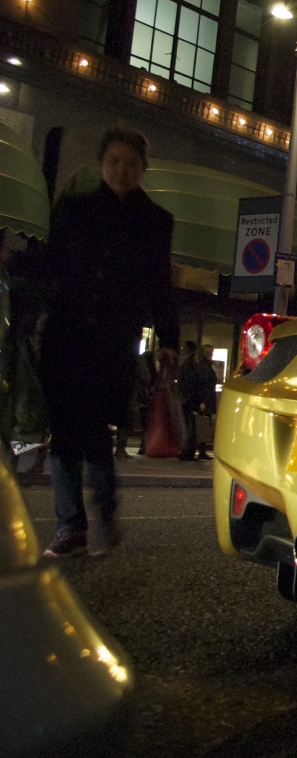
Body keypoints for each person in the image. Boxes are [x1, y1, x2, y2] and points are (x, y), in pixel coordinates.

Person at [5, 126, 179, 557]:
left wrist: (168, 338)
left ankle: (104, 510)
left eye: (132, 164)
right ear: (103, 163)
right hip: (67, 335)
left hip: (112, 343)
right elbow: (52, 262)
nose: (123, 170)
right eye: (115, 162)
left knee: (97, 431)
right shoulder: (77, 210)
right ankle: (71, 527)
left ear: (143, 169)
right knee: (65, 430)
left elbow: (161, 285)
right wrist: (13, 259)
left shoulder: (156, 222)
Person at [179, 341, 217, 461]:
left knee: (194, 425)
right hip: (199, 400)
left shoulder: (194, 364)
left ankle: (193, 451)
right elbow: (204, 385)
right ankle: (194, 451)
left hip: (191, 399)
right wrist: (203, 401)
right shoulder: (204, 366)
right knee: (198, 425)